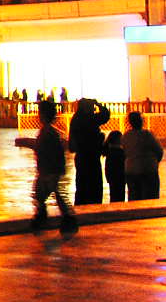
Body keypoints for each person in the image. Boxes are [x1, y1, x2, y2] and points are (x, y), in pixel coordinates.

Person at [17, 99, 75, 232]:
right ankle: (62, 219)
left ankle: (60, 219)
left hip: (49, 169)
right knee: (48, 194)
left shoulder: (48, 132)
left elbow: (45, 149)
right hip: (50, 169)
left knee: (44, 195)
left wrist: (29, 144)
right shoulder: (50, 132)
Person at [67, 98, 107, 205]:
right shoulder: (91, 118)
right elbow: (106, 115)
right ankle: (95, 208)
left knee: (82, 186)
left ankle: (80, 208)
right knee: (95, 186)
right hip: (92, 156)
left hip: (81, 156)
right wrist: (98, 104)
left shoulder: (76, 119)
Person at [122, 110, 163, 202]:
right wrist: (154, 162)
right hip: (148, 169)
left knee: (134, 197)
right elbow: (159, 151)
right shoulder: (147, 135)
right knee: (150, 198)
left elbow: (124, 153)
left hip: (131, 169)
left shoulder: (126, 136)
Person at [104, 130, 126, 203]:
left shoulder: (109, 151)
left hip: (112, 177)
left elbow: (107, 167)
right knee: (120, 197)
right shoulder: (120, 152)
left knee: (113, 196)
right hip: (120, 177)